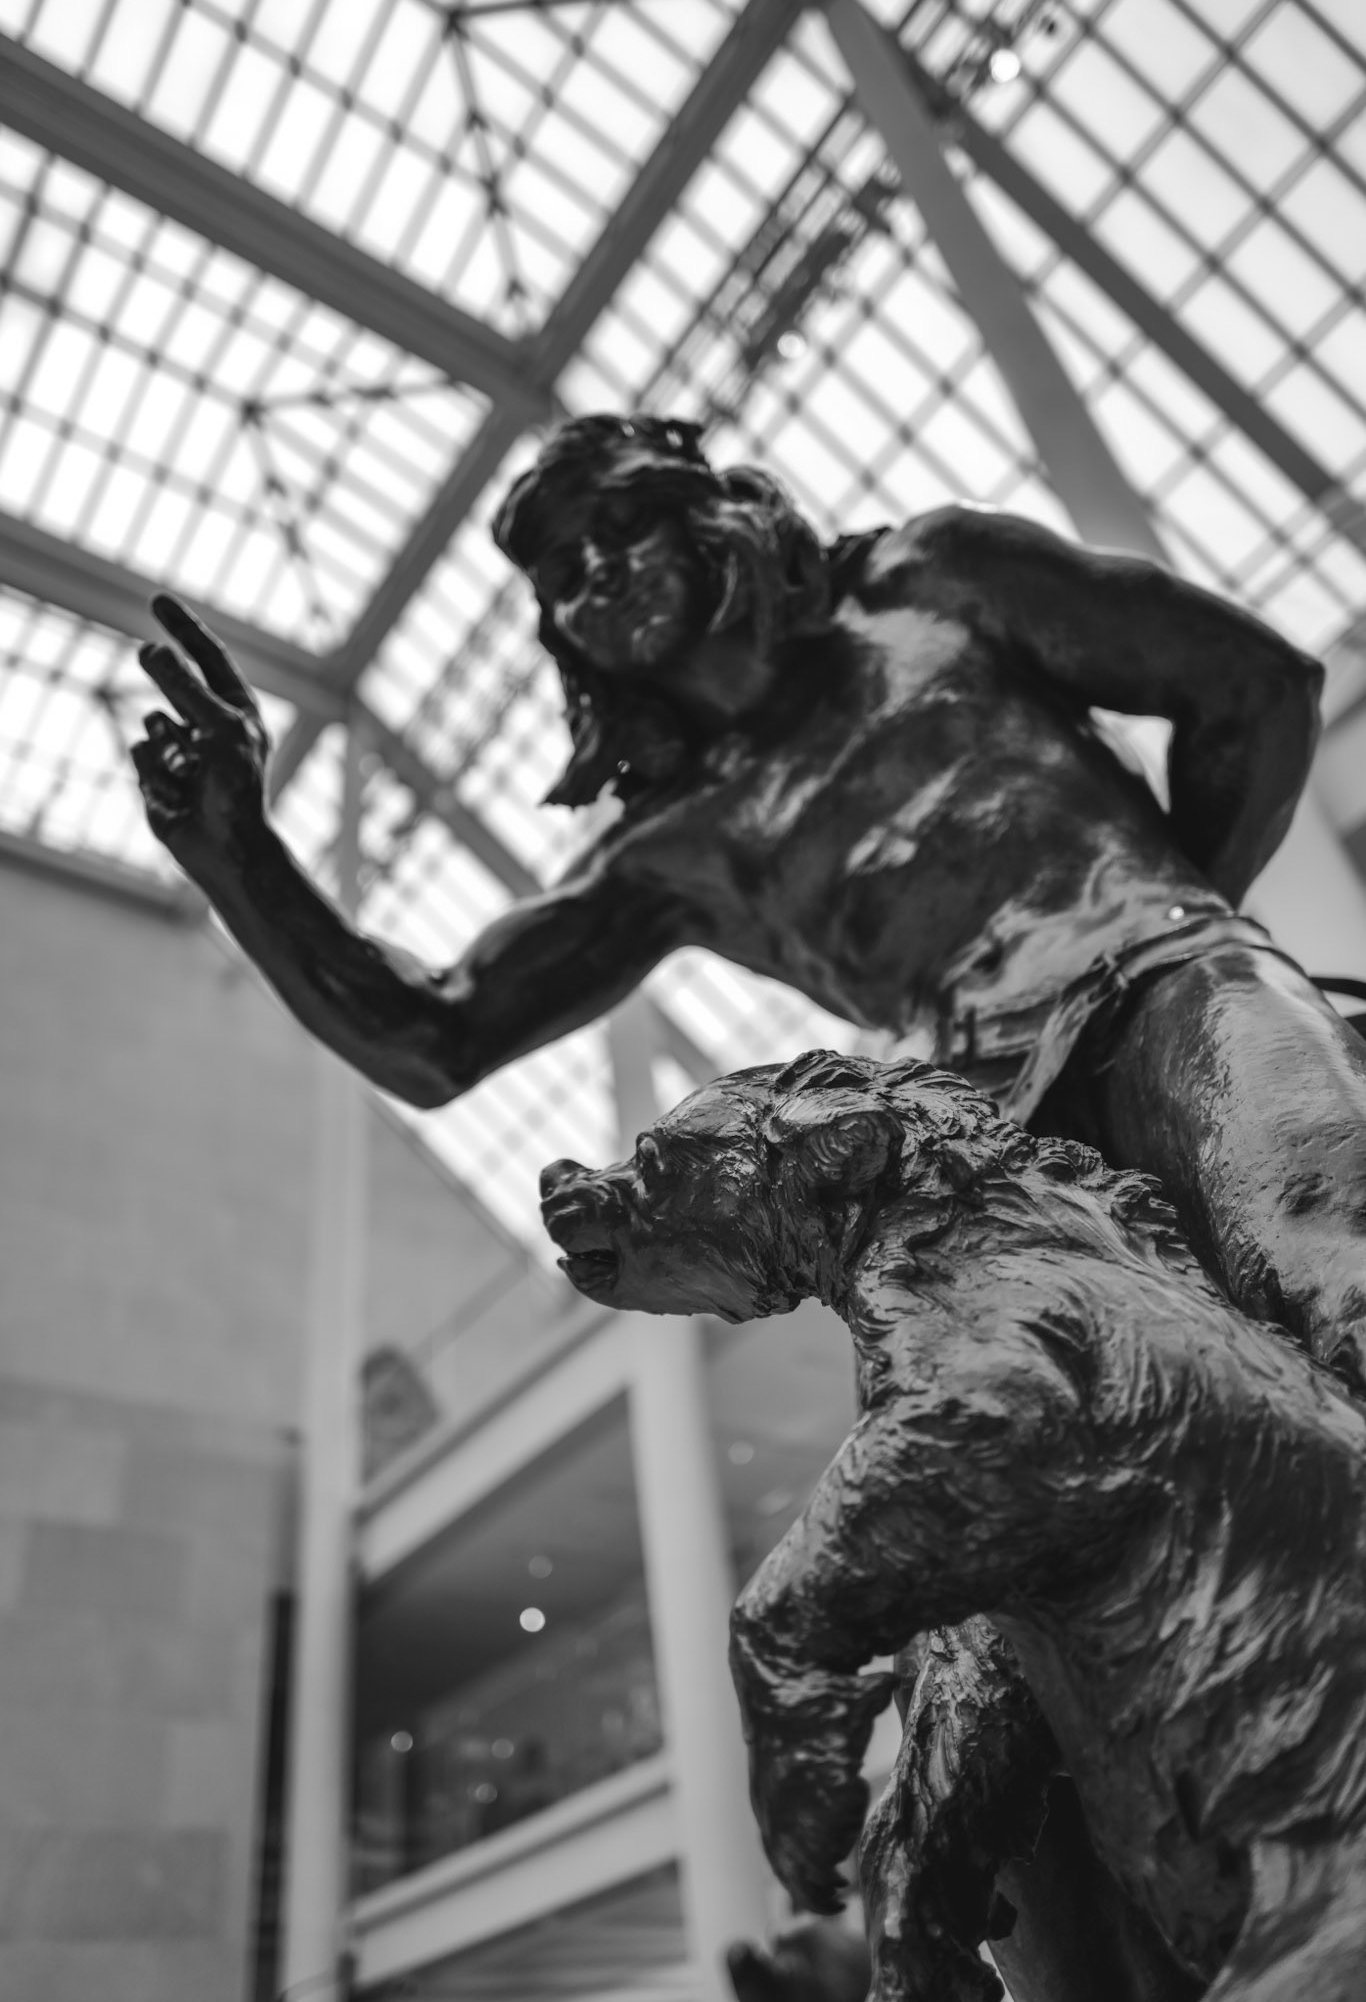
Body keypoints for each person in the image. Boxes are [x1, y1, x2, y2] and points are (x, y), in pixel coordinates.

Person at [131, 411, 1366, 1388]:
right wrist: (238, 856)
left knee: (1326, 1256)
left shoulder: (934, 580)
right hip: (982, 1135)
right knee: (1000, 1476)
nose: (597, 574)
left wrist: (1174, 936)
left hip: (1164, 968)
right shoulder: (673, 846)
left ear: (709, 510)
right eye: (561, 573)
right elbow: (435, 1035)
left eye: (621, 526)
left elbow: (1251, 687)